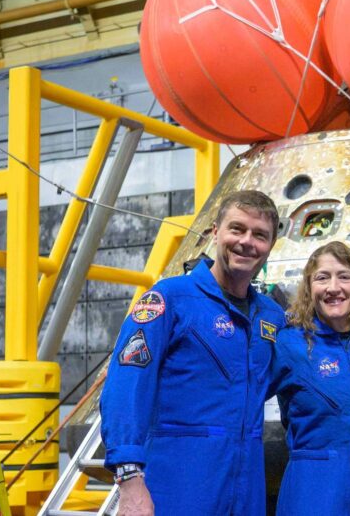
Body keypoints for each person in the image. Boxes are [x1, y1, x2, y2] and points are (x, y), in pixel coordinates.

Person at [101, 191, 287, 516]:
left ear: (271, 245)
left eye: (260, 235)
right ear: (215, 232)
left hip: (247, 491)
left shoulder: (271, 317)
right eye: (237, 229)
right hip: (177, 486)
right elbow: (126, 386)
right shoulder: (170, 299)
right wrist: (129, 479)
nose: (246, 242)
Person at [271, 242, 350, 515]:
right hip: (312, 493)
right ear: (308, 287)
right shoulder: (289, 344)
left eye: (344, 277)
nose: (333, 287)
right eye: (322, 277)